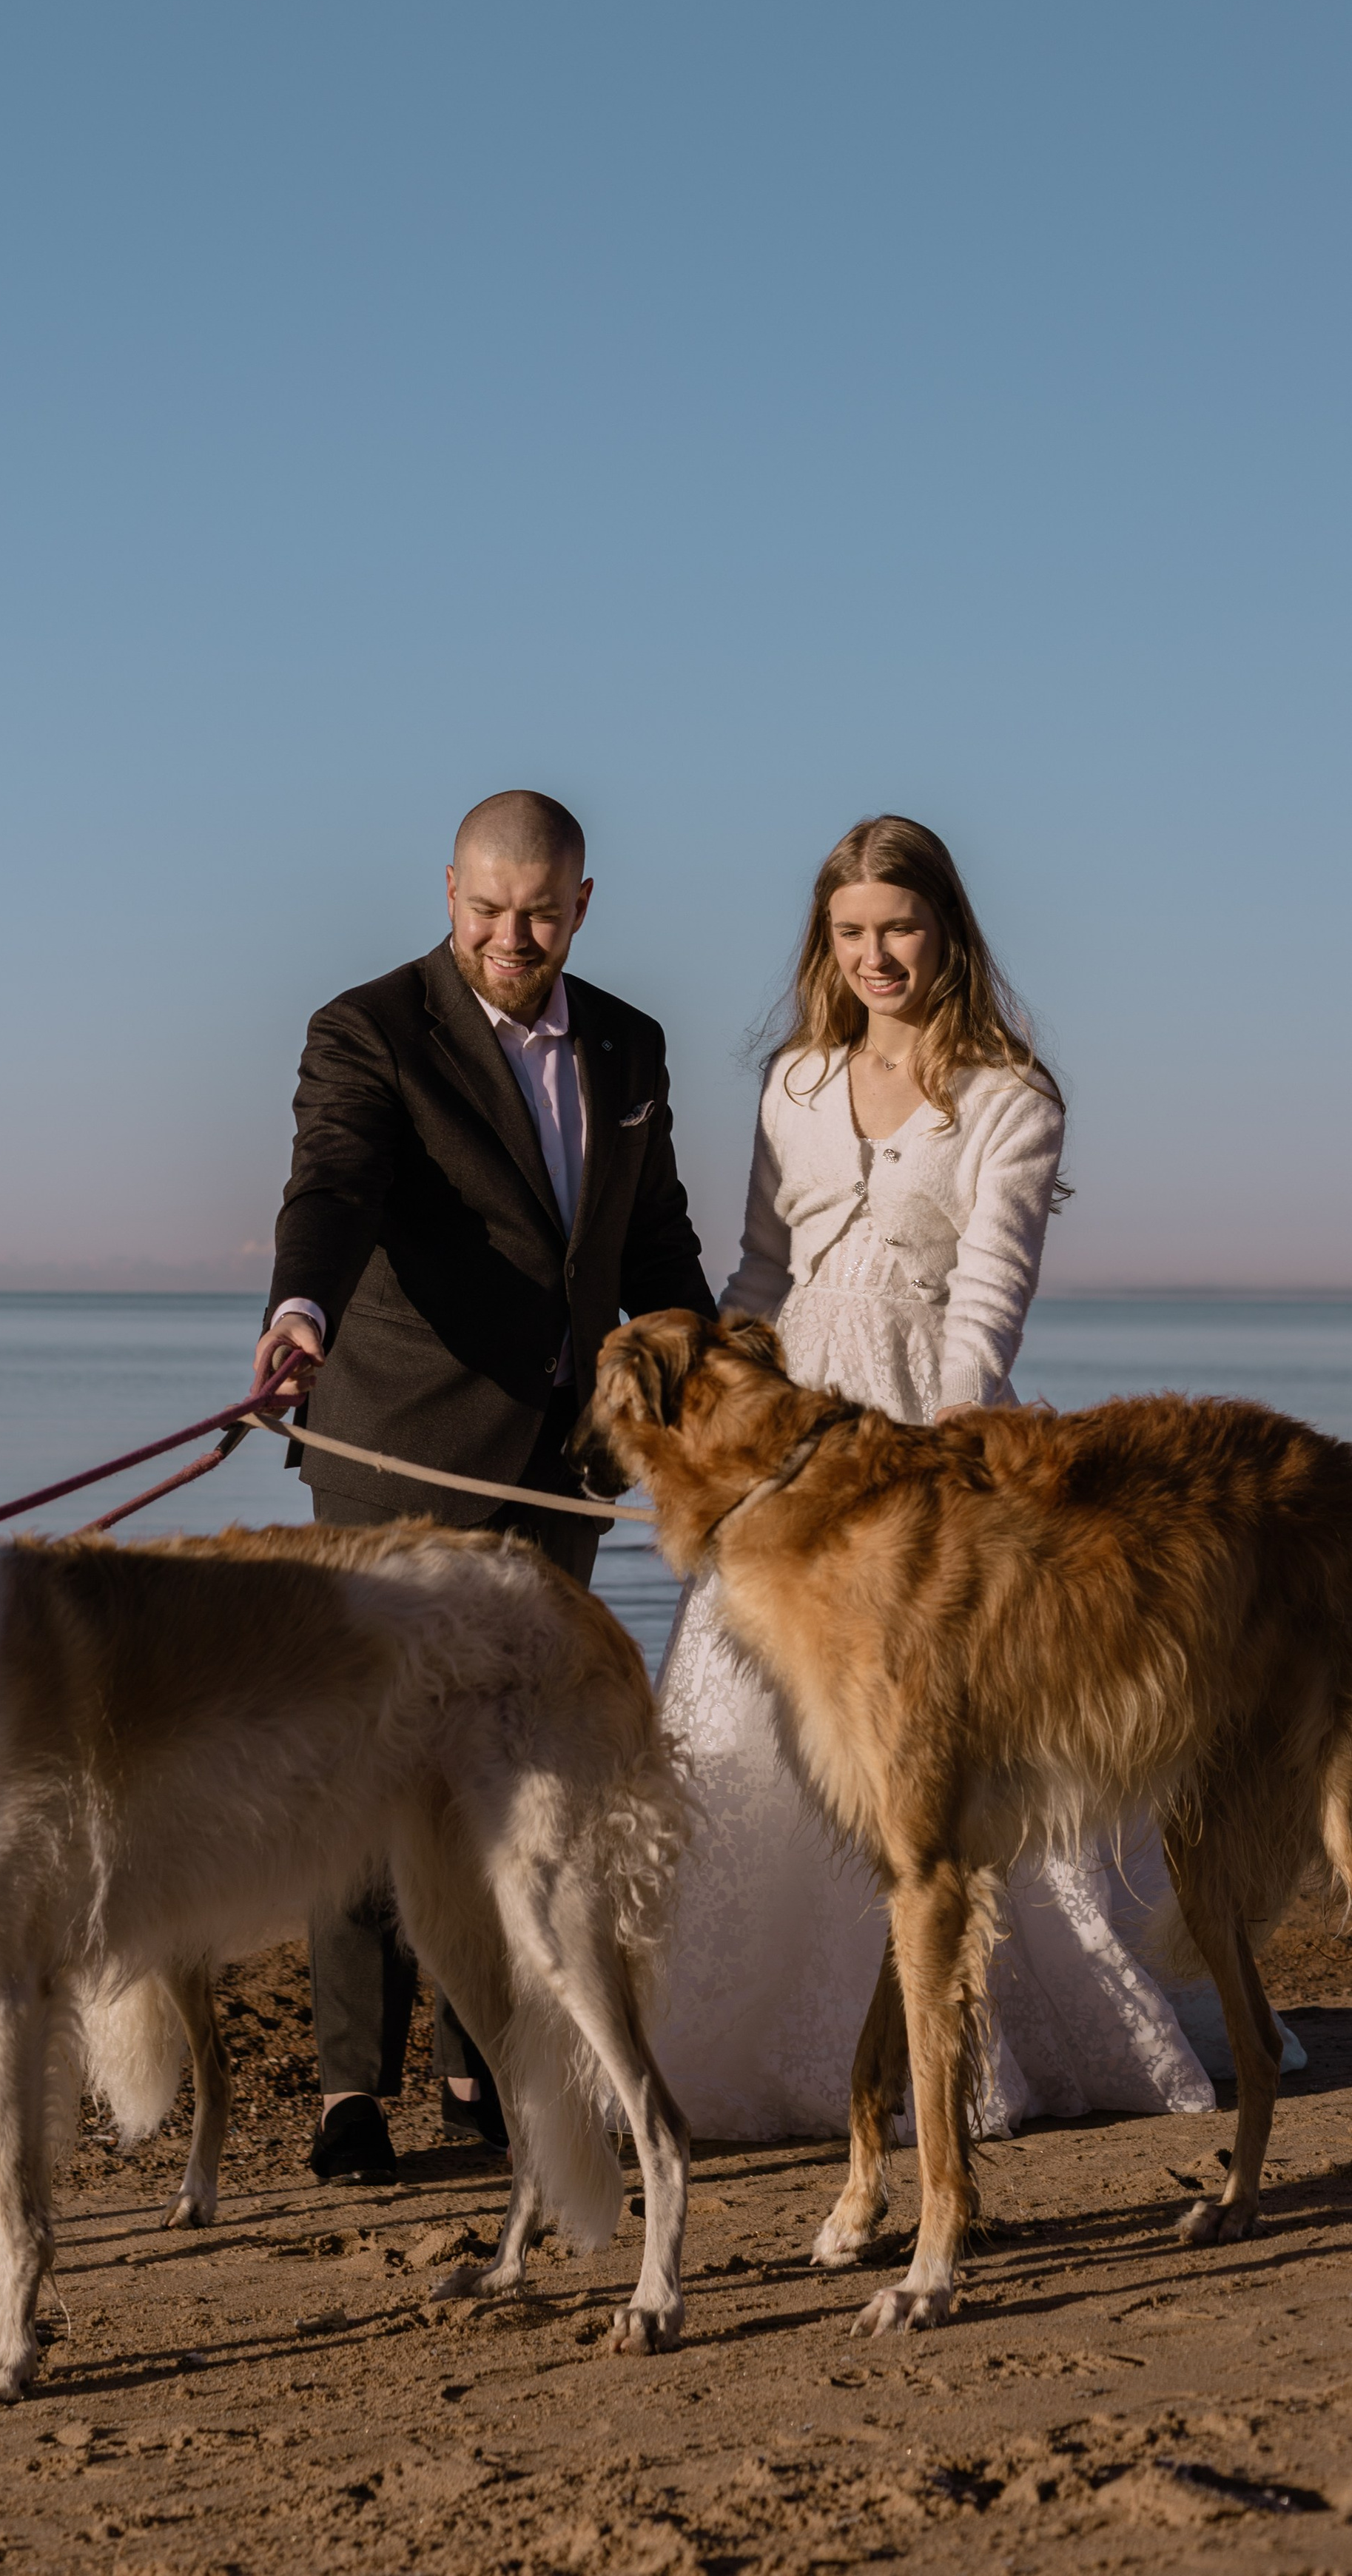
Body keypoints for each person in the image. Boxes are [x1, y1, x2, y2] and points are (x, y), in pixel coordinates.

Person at [653, 813, 1274, 2142]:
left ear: (948, 931)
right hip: (785, 1436)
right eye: (852, 932)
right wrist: (713, 1426)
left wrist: (943, 1455)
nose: (877, 955)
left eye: (901, 928)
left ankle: (950, 2060)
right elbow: (761, 1276)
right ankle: (732, 2052)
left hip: (918, 1432)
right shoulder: (796, 1084)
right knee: (746, 1734)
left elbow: (989, 1296)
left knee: (926, 1745)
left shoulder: (1010, 1098)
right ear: (828, 941)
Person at [255, 788, 714, 2183]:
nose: (510, 937)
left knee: (518, 1776)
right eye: (485, 908)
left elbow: (657, 1242)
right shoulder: (367, 1029)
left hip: (555, 1470)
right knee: (371, 1767)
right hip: (391, 1447)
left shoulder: (629, 1043)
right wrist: (297, 1317)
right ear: (448, 887)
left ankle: (480, 2062)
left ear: (583, 904)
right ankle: (350, 2092)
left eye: (539, 912)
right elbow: (332, 1187)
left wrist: (713, 1391)